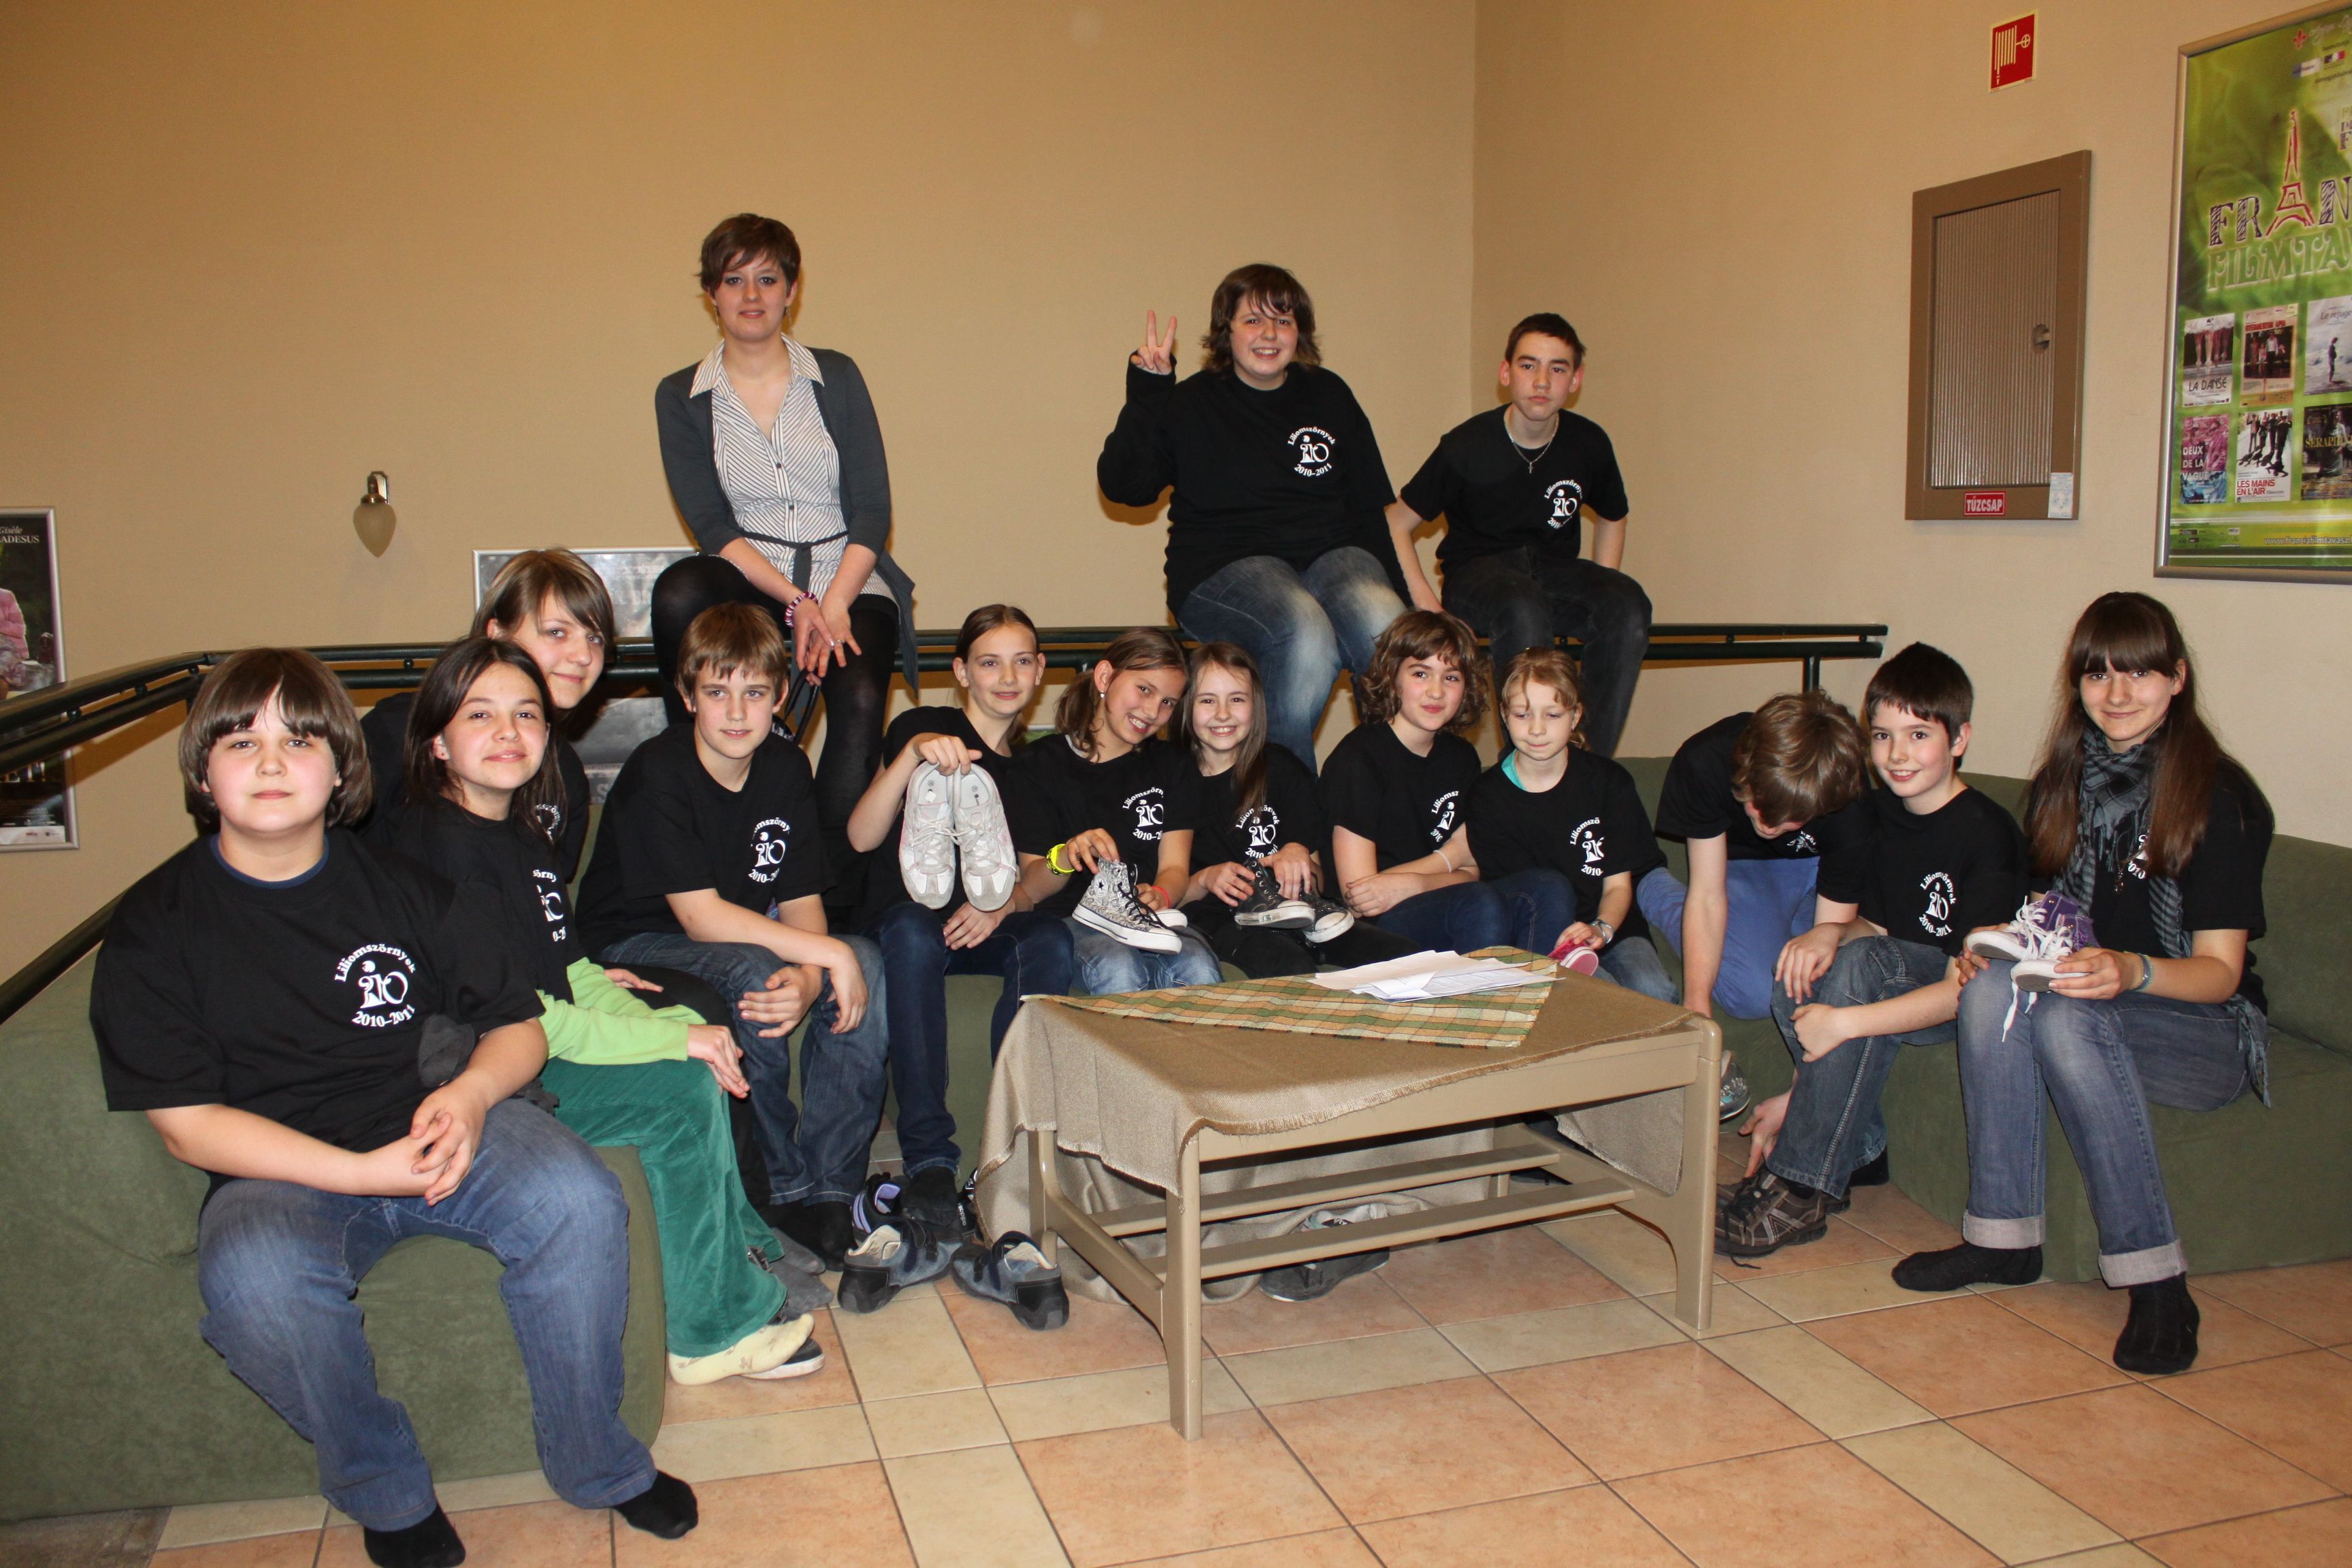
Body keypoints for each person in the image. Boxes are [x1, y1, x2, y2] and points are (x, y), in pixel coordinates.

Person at [91, 649, 697, 1567]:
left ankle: (596, 1461)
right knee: (254, 1283)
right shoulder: (155, 925)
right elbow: (187, 1125)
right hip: (278, 1170)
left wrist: (470, 1096)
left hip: (439, 1123)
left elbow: (519, 1029)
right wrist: (356, 1172)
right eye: (241, 742)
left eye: (299, 741)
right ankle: (385, 1488)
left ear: (340, 768)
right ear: (202, 772)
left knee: (578, 1200)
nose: (270, 762)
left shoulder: (407, 886)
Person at [385, 636, 827, 1383]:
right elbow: (526, 1019)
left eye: (526, 714)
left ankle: (743, 1251)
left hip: (533, 1046)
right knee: (676, 1090)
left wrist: (677, 1028)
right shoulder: (439, 853)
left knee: (701, 1045)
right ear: (437, 741)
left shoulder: (519, 835)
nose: (508, 732)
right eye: (480, 715)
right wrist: (671, 1047)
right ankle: (708, 1334)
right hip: (482, 1080)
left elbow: (571, 970)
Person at [1895, 593, 2272, 1377]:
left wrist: (2131, 969)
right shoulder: (2064, 783)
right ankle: (2003, 1240)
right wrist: (1991, 950)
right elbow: (2048, 920)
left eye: (2139, 673)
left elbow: (2221, 973)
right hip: (2090, 996)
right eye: (2098, 675)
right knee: (1993, 990)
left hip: (2206, 1030)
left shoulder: (2218, 797)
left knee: (2065, 1016)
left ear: (2177, 679)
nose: (2118, 693)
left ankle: (2158, 1282)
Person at [576, 603, 889, 1271]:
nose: (738, 712)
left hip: (732, 940)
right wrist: (823, 953)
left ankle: (831, 1192)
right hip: (634, 942)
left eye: (754, 692)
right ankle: (777, 1192)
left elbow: (801, 900)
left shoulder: (785, 768)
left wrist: (813, 975)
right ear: (687, 696)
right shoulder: (659, 770)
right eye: (717, 692)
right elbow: (701, 919)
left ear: (781, 696)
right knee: (759, 970)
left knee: (865, 959)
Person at [1714, 644, 2027, 1258]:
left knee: (1858, 966)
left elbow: (1968, 988)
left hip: (1961, 1003)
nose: (1898, 754)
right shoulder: (1878, 814)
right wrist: (1828, 935)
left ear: (1961, 739)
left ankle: (1800, 1187)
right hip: (1892, 978)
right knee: (1801, 965)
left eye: (1918, 735)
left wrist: (1844, 1025)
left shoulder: (1988, 833)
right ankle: (1859, 1152)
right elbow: (1876, 927)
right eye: (1883, 736)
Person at [649, 212, 921, 900]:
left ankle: (826, 885)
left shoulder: (837, 375)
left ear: (792, 291)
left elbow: (874, 511)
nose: (751, 295)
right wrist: (796, 603)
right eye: (734, 280)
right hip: (751, 575)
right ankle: (700, 783)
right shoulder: (680, 395)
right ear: (711, 294)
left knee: (861, 692)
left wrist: (832, 605)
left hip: (848, 570)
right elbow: (711, 524)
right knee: (680, 588)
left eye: (767, 279)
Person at [1098, 264, 1407, 766]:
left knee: (1388, 626)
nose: (1269, 334)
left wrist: (1407, 606)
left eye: (1283, 321)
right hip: (1224, 563)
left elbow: (1371, 510)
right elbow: (1125, 488)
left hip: (1333, 554)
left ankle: (1391, 787)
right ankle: (1281, 795)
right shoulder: (1191, 402)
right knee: (1303, 629)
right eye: (1253, 320)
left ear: (1299, 333)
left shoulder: (1329, 394)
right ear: (1227, 331)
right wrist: (1149, 391)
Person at [847, 605, 1074, 1228]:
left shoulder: (1030, 772)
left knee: (1049, 937)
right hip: (904, 927)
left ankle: (1014, 1149)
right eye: (990, 662)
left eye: (1022, 662)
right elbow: (862, 837)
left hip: (977, 928)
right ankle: (928, 1162)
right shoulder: (925, 726)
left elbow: (1037, 873)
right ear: (962, 671)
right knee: (914, 928)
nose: (1008, 676)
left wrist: (1002, 905)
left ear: (1040, 671)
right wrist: (913, 755)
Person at [1385, 314, 1651, 757]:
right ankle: (1524, 770)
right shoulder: (1467, 445)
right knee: (1522, 605)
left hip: (1554, 573)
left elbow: (1613, 516)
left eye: (1557, 368)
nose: (1542, 381)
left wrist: (1603, 585)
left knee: (1627, 604)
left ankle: (1585, 762)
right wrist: (1431, 610)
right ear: (1506, 373)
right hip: (1478, 577)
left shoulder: (1589, 443)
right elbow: (1395, 523)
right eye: (1529, 366)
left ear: (1576, 380)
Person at [1638, 692, 1872, 1118]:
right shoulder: (1706, 760)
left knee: (1805, 979)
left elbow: (1830, 957)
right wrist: (1697, 1009)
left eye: (1789, 819)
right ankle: (1652, 886)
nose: (1767, 822)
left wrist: (1803, 1093)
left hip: (1821, 870)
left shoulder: (1848, 800)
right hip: (1742, 867)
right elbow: (1708, 895)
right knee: (1754, 993)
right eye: (1757, 804)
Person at [1324, 610, 1565, 953]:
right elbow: (1360, 895)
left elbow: (1472, 870)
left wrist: (1415, 882)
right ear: (1393, 676)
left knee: (1548, 886)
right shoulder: (1358, 759)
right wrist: (1451, 858)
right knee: (1478, 903)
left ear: (1466, 687)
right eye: (1421, 673)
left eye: (1451, 677)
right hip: (1371, 926)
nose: (1436, 692)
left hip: (1440, 898)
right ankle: (1484, 989)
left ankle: (1531, 984)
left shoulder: (1461, 757)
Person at [361, 548, 610, 879]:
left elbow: (547, 892)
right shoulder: (399, 727)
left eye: (595, 638)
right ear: (498, 634)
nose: (584, 655)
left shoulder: (566, 774)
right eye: (556, 632)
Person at [1175, 641, 1418, 977]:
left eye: (1237, 699)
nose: (1223, 713)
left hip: (1304, 916)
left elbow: (1317, 881)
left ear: (1256, 705)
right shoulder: (1173, 781)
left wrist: (1298, 856)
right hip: (1221, 920)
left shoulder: (1281, 768)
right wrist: (1206, 879)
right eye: (1207, 700)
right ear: (1186, 705)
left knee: (1407, 958)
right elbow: (1168, 894)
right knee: (1290, 966)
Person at [1007, 627, 1223, 994]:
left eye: (1168, 702)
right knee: (1118, 965)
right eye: (1144, 690)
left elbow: (1174, 868)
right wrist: (1068, 854)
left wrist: (1161, 895)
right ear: (1106, 677)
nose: (1153, 712)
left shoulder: (1173, 765)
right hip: (1069, 920)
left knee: (1198, 964)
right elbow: (1032, 888)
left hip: (1149, 922)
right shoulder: (1039, 764)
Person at [1466, 648, 1676, 1001]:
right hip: (1542, 936)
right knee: (1602, 999)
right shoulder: (1487, 798)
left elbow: (1618, 886)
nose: (1536, 729)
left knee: (1654, 992)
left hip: (1612, 923)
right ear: (1504, 715)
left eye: (1553, 714)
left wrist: (1601, 929)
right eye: (1522, 714)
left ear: (1575, 715)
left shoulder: (1609, 783)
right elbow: (1518, 904)